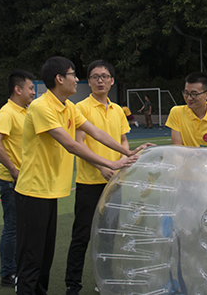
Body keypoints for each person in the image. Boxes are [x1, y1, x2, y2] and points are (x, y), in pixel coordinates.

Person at [14, 56, 149, 295]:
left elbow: (95, 132)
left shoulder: (67, 106)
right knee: (33, 257)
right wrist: (109, 162)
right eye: (73, 74)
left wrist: (126, 152)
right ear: (59, 79)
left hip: (50, 190)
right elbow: (72, 145)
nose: (77, 79)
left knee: (45, 255)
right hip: (33, 190)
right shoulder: (41, 107)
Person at [65, 60, 133, 295]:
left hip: (116, 182)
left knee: (110, 234)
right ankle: (72, 285)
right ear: (88, 81)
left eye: (105, 76)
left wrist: (123, 162)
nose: (100, 80)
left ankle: (107, 279)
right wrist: (100, 167)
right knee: (82, 236)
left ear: (112, 80)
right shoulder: (80, 108)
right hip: (89, 182)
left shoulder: (118, 110)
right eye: (95, 77)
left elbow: (124, 141)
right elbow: (79, 144)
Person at [0, 70, 36, 287]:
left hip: (24, 179)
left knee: (23, 226)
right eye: (31, 88)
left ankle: (19, 267)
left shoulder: (25, 112)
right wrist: (13, 170)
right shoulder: (7, 112)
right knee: (13, 226)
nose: (33, 92)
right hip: (10, 181)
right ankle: (8, 273)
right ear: (18, 89)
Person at [166, 72, 207, 149]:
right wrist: (195, 153)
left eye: (194, 94)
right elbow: (177, 147)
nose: (189, 98)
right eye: (186, 93)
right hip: (186, 160)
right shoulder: (176, 112)